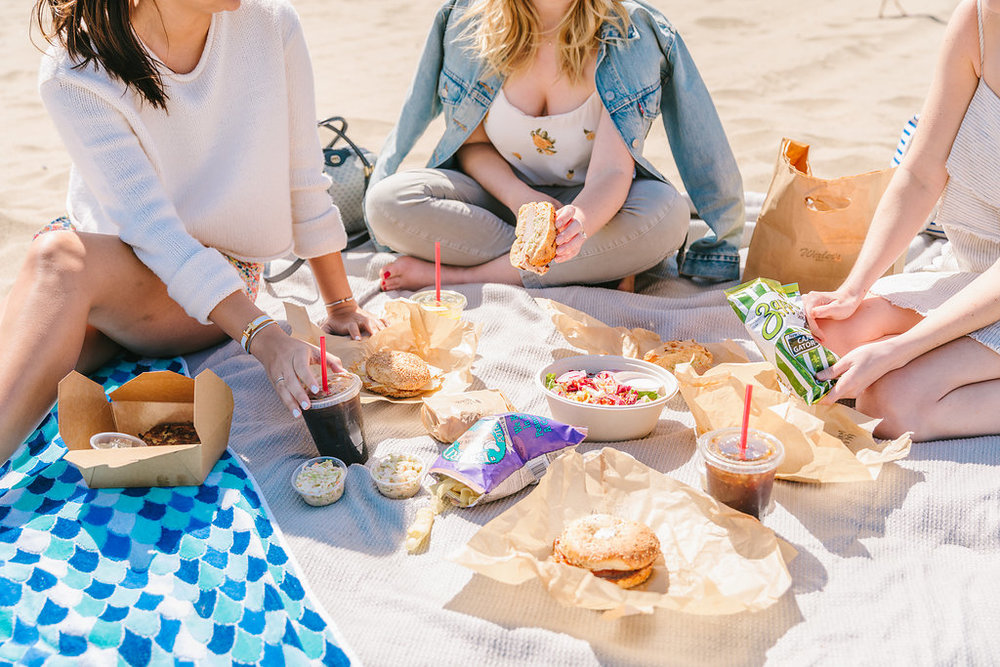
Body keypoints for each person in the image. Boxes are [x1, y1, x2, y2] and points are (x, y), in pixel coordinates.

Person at [0, 0, 382, 459]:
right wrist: (268, 338)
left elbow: (304, 177)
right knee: (26, 365)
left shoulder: (271, 23)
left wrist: (336, 305)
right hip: (106, 260)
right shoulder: (75, 69)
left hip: (219, 279)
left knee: (54, 262)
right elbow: (148, 227)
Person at [364, 0, 744, 292]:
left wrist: (579, 221)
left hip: (596, 207)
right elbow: (474, 145)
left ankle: (462, 277)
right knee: (388, 202)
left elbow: (613, 170)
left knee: (668, 217)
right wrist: (522, 199)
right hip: (501, 200)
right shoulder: (472, 22)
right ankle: (590, 267)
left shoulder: (631, 34)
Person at [803, 0, 1000, 441]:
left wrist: (899, 349)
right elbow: (920, 172)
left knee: (891, 404)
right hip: (979, 272)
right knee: (827, 338)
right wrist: (854, 288)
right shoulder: (979, 19)